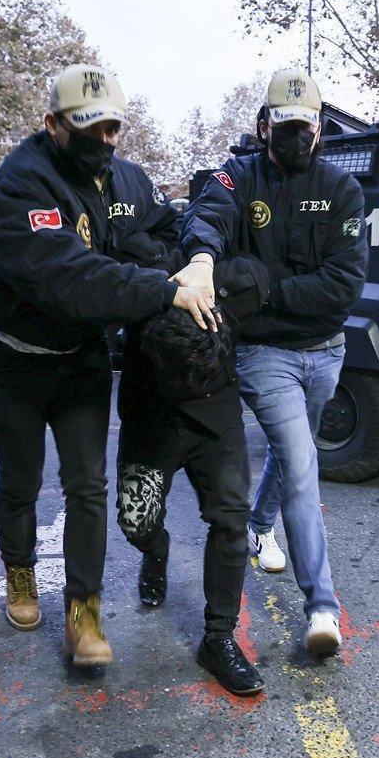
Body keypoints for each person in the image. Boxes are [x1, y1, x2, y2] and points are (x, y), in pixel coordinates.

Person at [0, 64, 215, 667]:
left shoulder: (125, 178)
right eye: (90, 128)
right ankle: (21, 575)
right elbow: (70, 278)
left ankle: (84, 612)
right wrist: (162, 288)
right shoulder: (16, 187)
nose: (105, 140)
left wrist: (201, 255)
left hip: (81, 360)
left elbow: (168, 226)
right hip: (14, 365)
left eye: (113, 128)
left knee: (87, 486)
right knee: (21, 481)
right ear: (52, 125)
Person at [178, 70, 368, 657]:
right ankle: (323, 608)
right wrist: (206, 259)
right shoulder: (240, 175)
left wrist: (262, 287)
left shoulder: (343, 190)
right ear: (263, 126)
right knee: (301, 464)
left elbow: (344, 285)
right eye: (282, 124)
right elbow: (206, 214)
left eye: (304, 126)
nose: (293, 134)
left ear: (319, 130)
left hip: (325, 352)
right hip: (264, 355)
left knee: (295, 456)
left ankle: (260, 529)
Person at [112, 232, 269, 696]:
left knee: (231, 522)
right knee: (135, 524)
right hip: (151, 420)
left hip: (214, 419)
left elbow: (269, 279)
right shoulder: (135, 290)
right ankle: (155, 550)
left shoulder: (234, 285)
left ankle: (218, 638)